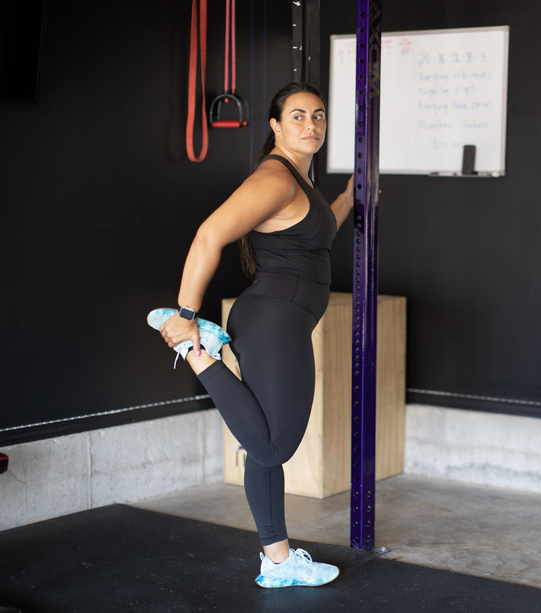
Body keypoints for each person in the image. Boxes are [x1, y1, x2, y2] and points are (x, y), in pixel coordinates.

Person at [152, 82, 354, 588]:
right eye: (299, 116)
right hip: (273, 322)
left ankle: (278, 561)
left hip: (278, 319)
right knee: (274, 446)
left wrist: (352, 196)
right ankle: (195, 348)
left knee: (261, 442)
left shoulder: (299, 182)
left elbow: (319, 230)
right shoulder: (276, 178)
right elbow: (209, 234)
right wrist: (185, 311)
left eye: (319, 117)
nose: (311, 125)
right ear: (275, 126)